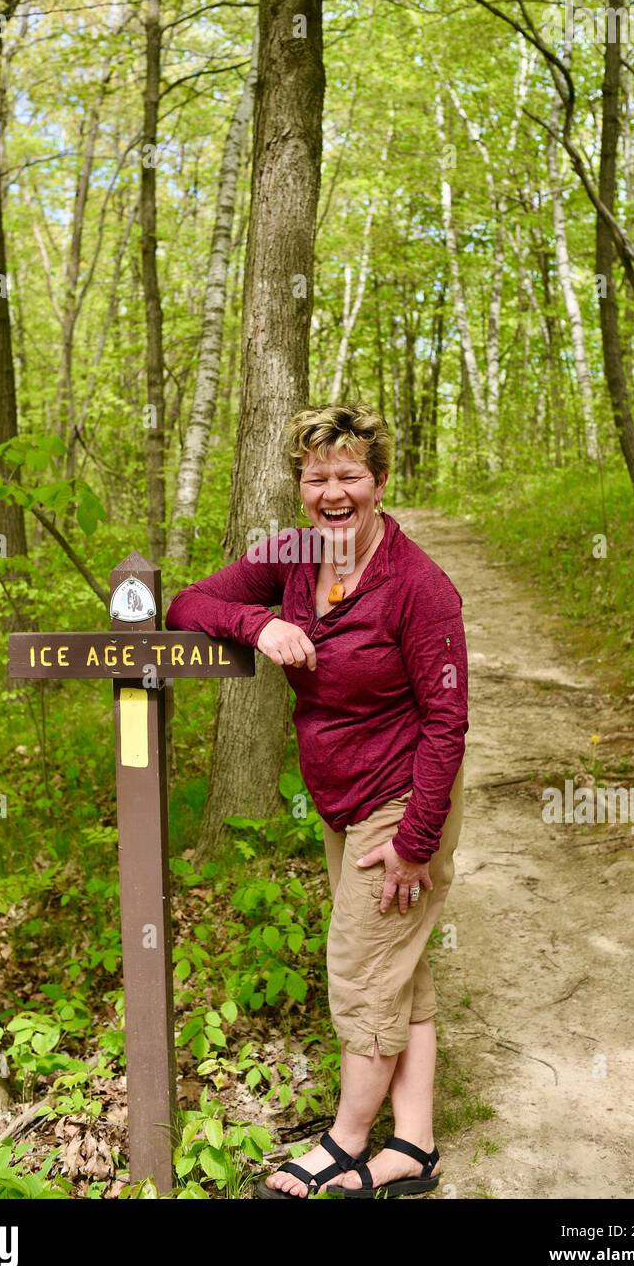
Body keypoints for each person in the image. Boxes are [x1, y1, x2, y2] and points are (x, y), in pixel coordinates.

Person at [165, 403, 468, 1199]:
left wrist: (414, 841)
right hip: (338, 795)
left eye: (348, 476)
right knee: (399, 974)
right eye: (315, 477)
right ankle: (414, 1147)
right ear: (300, 485)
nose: (332, 492)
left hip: (403, 802)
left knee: (362, 973)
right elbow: (186, 605)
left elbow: (446, 722)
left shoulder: (419, 587)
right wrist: (257, 623)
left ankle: (344, 1142)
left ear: (378, 482)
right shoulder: (297, 555)